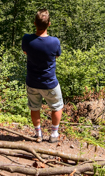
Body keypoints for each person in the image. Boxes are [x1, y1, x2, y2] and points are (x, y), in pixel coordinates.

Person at [21, 9, 63, 143]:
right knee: (57, 106)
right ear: (49, 24)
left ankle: (38, 134)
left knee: (34, 107)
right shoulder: (54, 42)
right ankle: (54, 135)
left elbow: (26, 52)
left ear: (34, 23)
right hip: (49, 82)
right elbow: (57, 55)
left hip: (32, 81)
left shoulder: (27, 39)